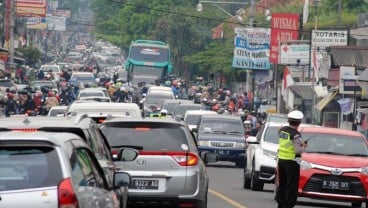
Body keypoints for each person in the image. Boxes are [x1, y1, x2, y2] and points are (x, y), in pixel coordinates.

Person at [275, 110, 306, 208]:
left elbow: (280, 132)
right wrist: (304, 146)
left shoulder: (282, 130)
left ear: (288, 120)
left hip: (281, 161)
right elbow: (298, 151)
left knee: (282, 184)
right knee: (291, 186)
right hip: (292, 162)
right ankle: (287, 205)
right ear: (299, 122)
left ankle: (281, 202)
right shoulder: (296, 135)